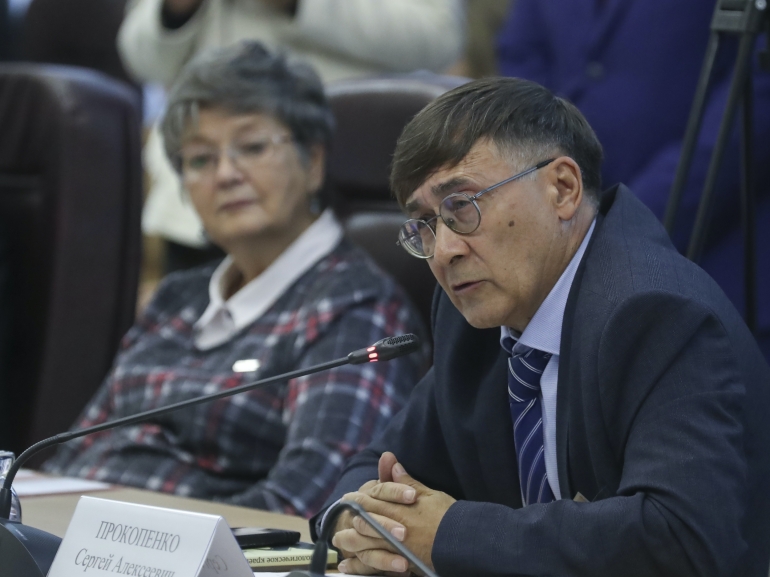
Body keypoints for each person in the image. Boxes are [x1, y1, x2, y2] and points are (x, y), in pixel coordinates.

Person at [312, 77, 770, 576]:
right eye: (424, 224)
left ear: (562, 189)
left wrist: (448, 533)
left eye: (462, 207)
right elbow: (372, 467)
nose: (443, 252)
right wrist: (358, 522)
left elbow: (678, 538)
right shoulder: (478, 319)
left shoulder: (655, 312)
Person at [43, 41, 427, 519]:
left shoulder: (355, 307)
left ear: (312, 161)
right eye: (200, 159)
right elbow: (72, 458)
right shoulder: (177, 297)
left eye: (251, 147)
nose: (225, 174)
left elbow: (304, 506)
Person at [496, 0, 770, 359]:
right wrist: (555, 194)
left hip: (719, 252)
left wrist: (623, 217)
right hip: (565, 264)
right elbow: (521, 57)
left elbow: (758, 85)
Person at [117, 0, 466, 268]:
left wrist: (296, 5)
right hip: (196, 220)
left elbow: (436, 37)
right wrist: (177, 10)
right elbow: (141, 60)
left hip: (341, 189)